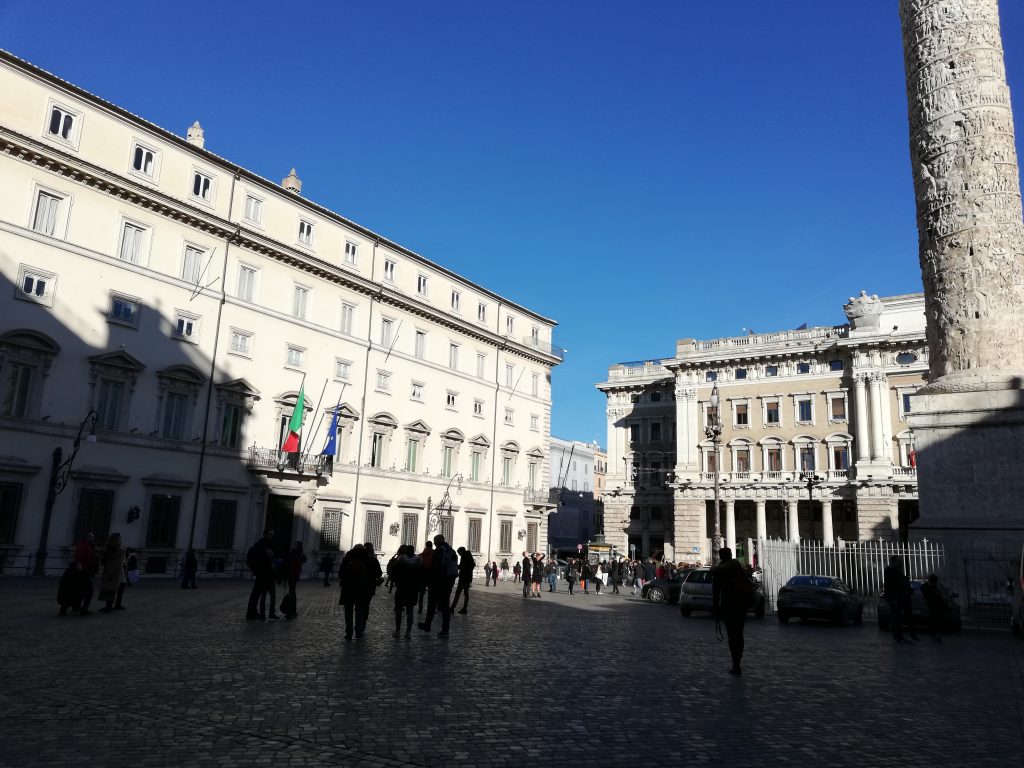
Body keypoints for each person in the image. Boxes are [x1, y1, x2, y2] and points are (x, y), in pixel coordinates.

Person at [712, 547, 754, 675]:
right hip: (741, 605)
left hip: (728, 605)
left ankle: (736, 664)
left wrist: (716, 609)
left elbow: (716, 592)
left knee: (732, 636)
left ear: (721, 556)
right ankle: (738, 662)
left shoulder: (719, 571)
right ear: (730, 555)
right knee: (739, 635)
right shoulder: (738, 568)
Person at [419, 534, 457, 636]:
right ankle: (445, 629)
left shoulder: (438, 551)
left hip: (438, 582)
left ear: (437, 542)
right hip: (449, 581)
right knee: (445, 606)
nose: (434, 544)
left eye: (435, 542)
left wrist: (430, 581)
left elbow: (435, 568)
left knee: (432, 604)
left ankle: (429, 625)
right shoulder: (451, 550)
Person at [338, 545, 372, 639]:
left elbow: (340, 573)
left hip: (348, 588)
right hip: (361, 588)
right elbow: (370, 575)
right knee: (359, 611)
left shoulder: (347, 558)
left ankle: (348, 632)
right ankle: (358, 631)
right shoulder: (366, 559)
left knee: (348, 611)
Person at [883, 556, 917, 642]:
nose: (901, 563)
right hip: (895, 597)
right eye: (899, 561)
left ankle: (902, 635)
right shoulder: (890, 570)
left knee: (900, 617)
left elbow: (901, 582)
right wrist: (893, 598)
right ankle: (897, 636)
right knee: (896, 617)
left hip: (902, 597)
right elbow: (891, 585)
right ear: (894, 562)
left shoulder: (898, 570)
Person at [245, 529, 276, 621]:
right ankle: (251, 613)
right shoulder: (263, 545)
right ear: (265, 534)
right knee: (257, 593)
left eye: (272, 534)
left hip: (261, 572)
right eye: (270, 534)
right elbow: (265, 559)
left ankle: (252, 612)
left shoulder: (261, 544)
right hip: (262, 572)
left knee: (257, 593)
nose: (272, 536)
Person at [392, 545, 421, 637]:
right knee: (410, 610)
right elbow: (421, 575)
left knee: (398, 610)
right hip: (412, 589)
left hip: (401, 587)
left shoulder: (400, 560)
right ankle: (408, 632)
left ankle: (397, 630)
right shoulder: (418, 561)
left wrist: (396, 583)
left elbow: (394, 572)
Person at [98, 532, 126, 613]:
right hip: (113, 572)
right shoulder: (113, 549)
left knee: (110, 589)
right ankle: (110, 605)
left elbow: (116, 562)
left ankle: (109, 606)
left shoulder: (116, 549)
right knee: (109, 589)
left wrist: (111, 572)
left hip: (113, 572)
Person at [74, 533, 98, 615]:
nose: (93, 539)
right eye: (91, 537)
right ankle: (83, 608)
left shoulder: (86, 545)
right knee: (88, 591)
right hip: (84, 571)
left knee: (81, 590)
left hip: (84, 570)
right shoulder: (84, 546)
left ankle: (76, 606)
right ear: (86, 538)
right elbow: (83, 559)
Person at [282, 540, 306, 619]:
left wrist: (294, 577)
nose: (294, 545)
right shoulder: (293, 553)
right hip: (290, 576)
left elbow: (297, 568)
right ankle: (292, 611)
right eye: (294, 544)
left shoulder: (297, 555)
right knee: (292, 593)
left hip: (293, 577)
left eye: (296, 545)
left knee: (292, 594)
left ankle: (291, 612)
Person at [920, 573, 946, 642]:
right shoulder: (930, 588)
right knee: (934, 620)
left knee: (934, 620)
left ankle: (935, 634)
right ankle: (935, 634)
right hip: (934, 607)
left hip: (935, 607)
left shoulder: (931, 588)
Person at [451, 546, 476, 614]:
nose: (459, 554)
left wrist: (456, 566)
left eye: (459, 553)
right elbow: (471, 566)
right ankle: (464, 608)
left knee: (458, 593)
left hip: (463, 578)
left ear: (461, 552)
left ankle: (452, 607)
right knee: (466, 594)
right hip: (468, 578)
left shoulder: (464, 557)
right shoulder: (469, 556)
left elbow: (463, 567)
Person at [417, 540, 434, 614]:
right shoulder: (435, 554)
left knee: (421, 593)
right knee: (431, 593)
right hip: (431, 574)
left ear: (426, 545)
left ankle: (420, 608)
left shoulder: (421, 555)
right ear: (431, 545)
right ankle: (431, 609)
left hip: (423, 574)